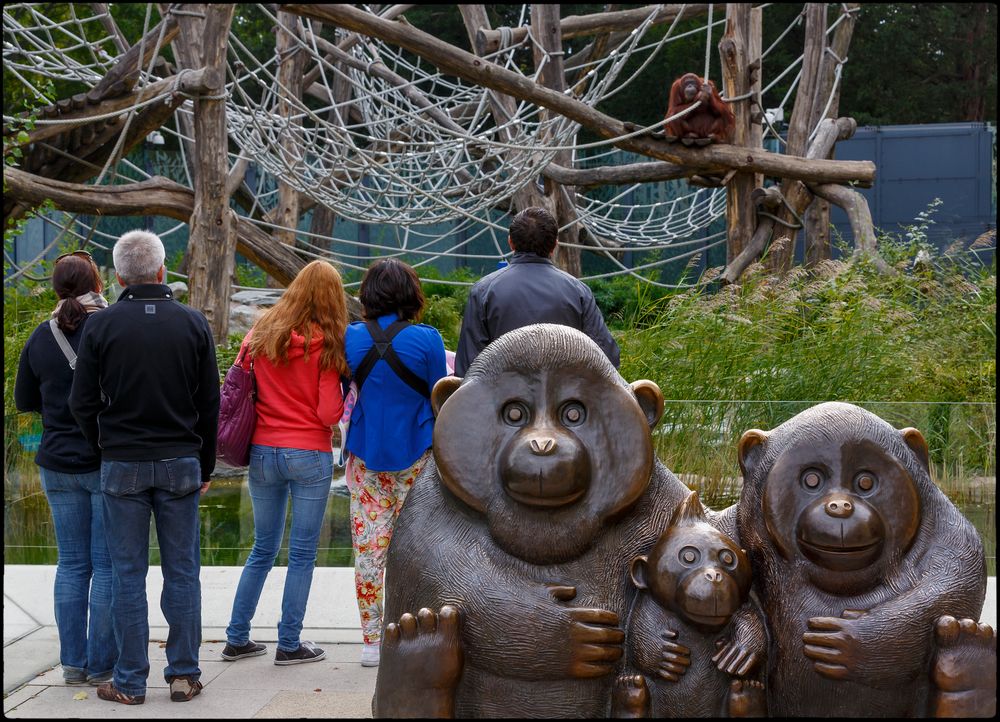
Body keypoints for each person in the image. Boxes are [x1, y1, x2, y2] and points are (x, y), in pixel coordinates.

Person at [69, 230, 219, 705]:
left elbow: (81, 401)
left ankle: (131, 679)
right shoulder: (193, 324)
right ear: (162, 270)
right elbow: (210, 404)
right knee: (183, 571)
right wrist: (206, 463)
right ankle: (183, 674)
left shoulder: (101, 327)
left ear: (118, 277)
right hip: (181, 461)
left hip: (122, 462)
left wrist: (101, 446)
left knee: (128, 574)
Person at [222, 259, 349, 667]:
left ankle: (236, 637)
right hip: (309, 453)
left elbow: (239, 385)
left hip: (262, 451)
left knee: (262, 548)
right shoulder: (326, 345)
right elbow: (330, 413)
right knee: (302, 553)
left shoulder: (261, 333)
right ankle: (289, 644)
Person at [14, 251, 116, 687]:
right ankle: (102, 665)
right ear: (97, 283)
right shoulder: (109, 328)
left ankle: (72, 663)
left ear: (56, 288)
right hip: (102, 458)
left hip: (56, 461)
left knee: (72, 564)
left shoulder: (40, 336)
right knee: (107, 566)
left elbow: (23, 400)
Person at [343, 258, 448, 667]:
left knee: (369, 552)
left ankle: (371, 643)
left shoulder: (351, 338)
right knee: (422, 550)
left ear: (368, 294)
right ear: (411, 294)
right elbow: (440, 398)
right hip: (418, 457)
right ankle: (418, 635)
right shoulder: (427, 340)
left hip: (368, 458)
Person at [453, 206, 620, 376]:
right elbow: (608, 358)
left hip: (504, 398)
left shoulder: (483, 291)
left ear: (510, 242)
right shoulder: (578, 292)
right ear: (555, 245)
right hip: (565, 397)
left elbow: (468, 367)